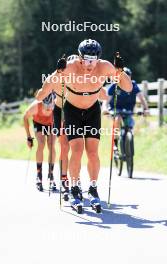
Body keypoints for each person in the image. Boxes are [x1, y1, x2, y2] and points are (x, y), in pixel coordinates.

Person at [35, 39, 132, 211]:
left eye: (93, 60)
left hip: (92, 111)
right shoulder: (70, 67)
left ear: (98, 58)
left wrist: (120, 72)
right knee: (77, 149)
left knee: (93, 152)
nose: (90, 64)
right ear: (79, 58)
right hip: (71, 111)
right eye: (86, 60)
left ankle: (93, 188)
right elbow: (43, 91)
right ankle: (74, 187)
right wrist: (58, 73)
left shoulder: (105, 67)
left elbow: (128, 87)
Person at [102, 67, 149, 150]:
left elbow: (142, 98)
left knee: (129, 126)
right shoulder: (114, 85)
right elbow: (106, 100)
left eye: (128, 77)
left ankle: (128, 143)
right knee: (118, 119)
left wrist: (146, 109)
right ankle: (115, 143)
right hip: (116, 109)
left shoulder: (133, 85)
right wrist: (105, 109)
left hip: (128, 110)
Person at [23, 94, 56, 192]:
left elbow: (63, 119)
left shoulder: (57, 106)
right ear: (42, 103)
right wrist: (29, 137)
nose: (48, 110)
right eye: (46, 108)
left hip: (52, 124)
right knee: (41, 144)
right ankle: (39, 174)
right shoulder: (35, 106)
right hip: (39, 123)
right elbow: (25, 117)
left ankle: (51, 174)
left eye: (50, 108)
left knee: (51, 145)